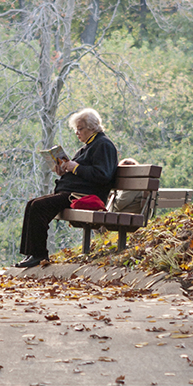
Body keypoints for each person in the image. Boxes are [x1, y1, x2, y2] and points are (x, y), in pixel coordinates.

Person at [15, 108, 118, 268]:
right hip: (72, 193)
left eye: (80, 128)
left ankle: (39, 254)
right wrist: (63, 170)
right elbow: (80, 171)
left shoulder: (103, 145)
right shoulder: (87, 147)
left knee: (39, 206)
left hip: (84, 196)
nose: (77, 133)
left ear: (92, 127)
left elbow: (102, 175)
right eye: (76, 129)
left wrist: (75, 167)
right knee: (32, 204)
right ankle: (32, 253)